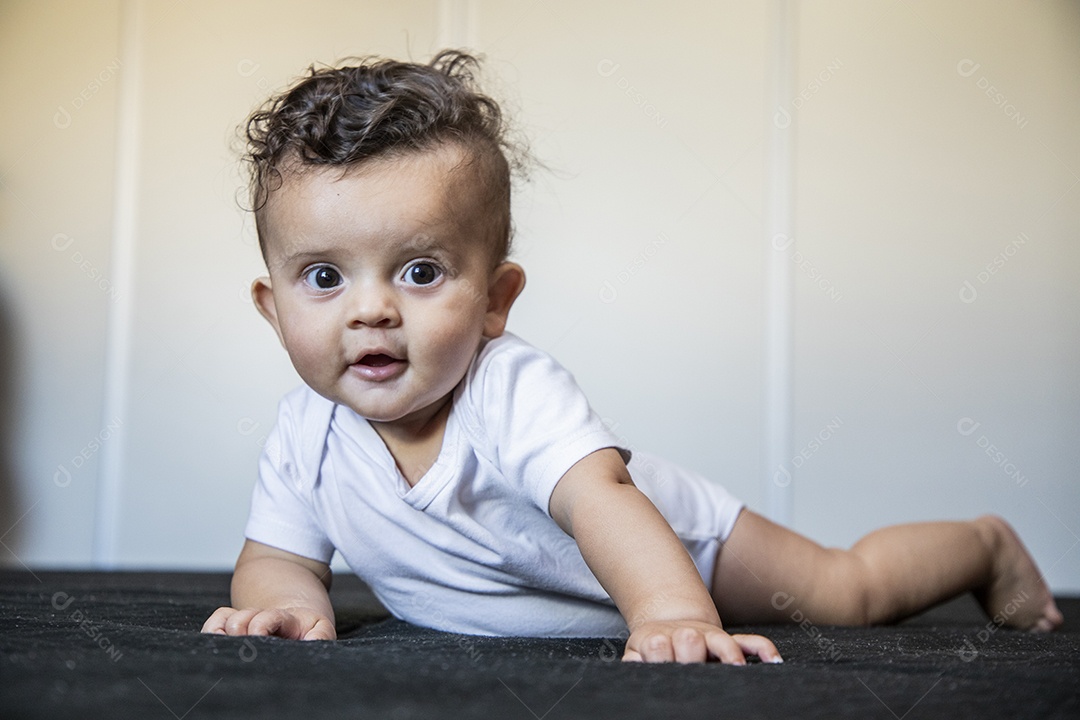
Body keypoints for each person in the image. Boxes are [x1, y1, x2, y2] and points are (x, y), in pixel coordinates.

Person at [201, 50, 1063, 664]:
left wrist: (672, 612)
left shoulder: (509, 391)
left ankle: (983, 545)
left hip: (684, 547)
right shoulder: (305, 432)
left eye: (421, 271)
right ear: (274, 312)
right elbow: (281, 558)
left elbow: (601, 501)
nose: (374, 309)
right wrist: (282, 610)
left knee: (848, 594)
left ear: (496, 300)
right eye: (324, 277)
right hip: (596, 593)